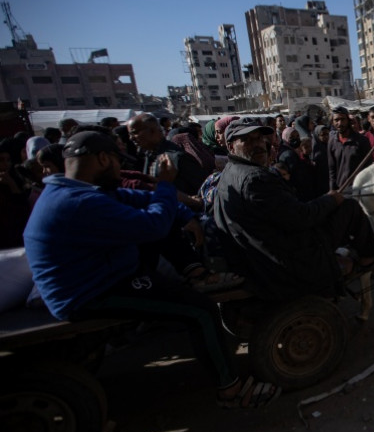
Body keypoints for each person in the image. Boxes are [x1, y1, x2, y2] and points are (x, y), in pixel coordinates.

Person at [23, 131, 276, 408]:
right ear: (103, 158)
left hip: (106, 271)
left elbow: (137, 199)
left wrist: (185, 215)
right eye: (118, 162)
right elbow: (152, 224)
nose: (120, 169)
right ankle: (231, 390)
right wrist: (165, 185)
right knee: (200, 310)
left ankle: (196, 273)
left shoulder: (78, 190)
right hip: (88, 291)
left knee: (165, 217)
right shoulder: (78, 202)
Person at [214, 119, 374, 301]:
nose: (258, 145)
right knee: (349, 207)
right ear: (231, 147)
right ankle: (368, 258)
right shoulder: (255, 179)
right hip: (285, 257)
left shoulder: (230, 172)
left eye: (259, 139)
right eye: (247, 140)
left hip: (262, 249)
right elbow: (301, 218)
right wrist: (330, 200)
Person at [128, 114, 211, 196]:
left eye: (134, 132)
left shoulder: (176, 157)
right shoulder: (149, 156)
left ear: (152, 130)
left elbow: (201, 191)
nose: (131, 138)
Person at [327, 106, 372, 191]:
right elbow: (332, 170)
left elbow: (368, 168)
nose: (340, 123)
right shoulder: (332, 142)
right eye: (336, 120)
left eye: (343, 119)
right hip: (340, 191)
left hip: (359, 190)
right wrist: (332, 190)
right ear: (332, 122)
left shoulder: (362, 141)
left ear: (348, 121)